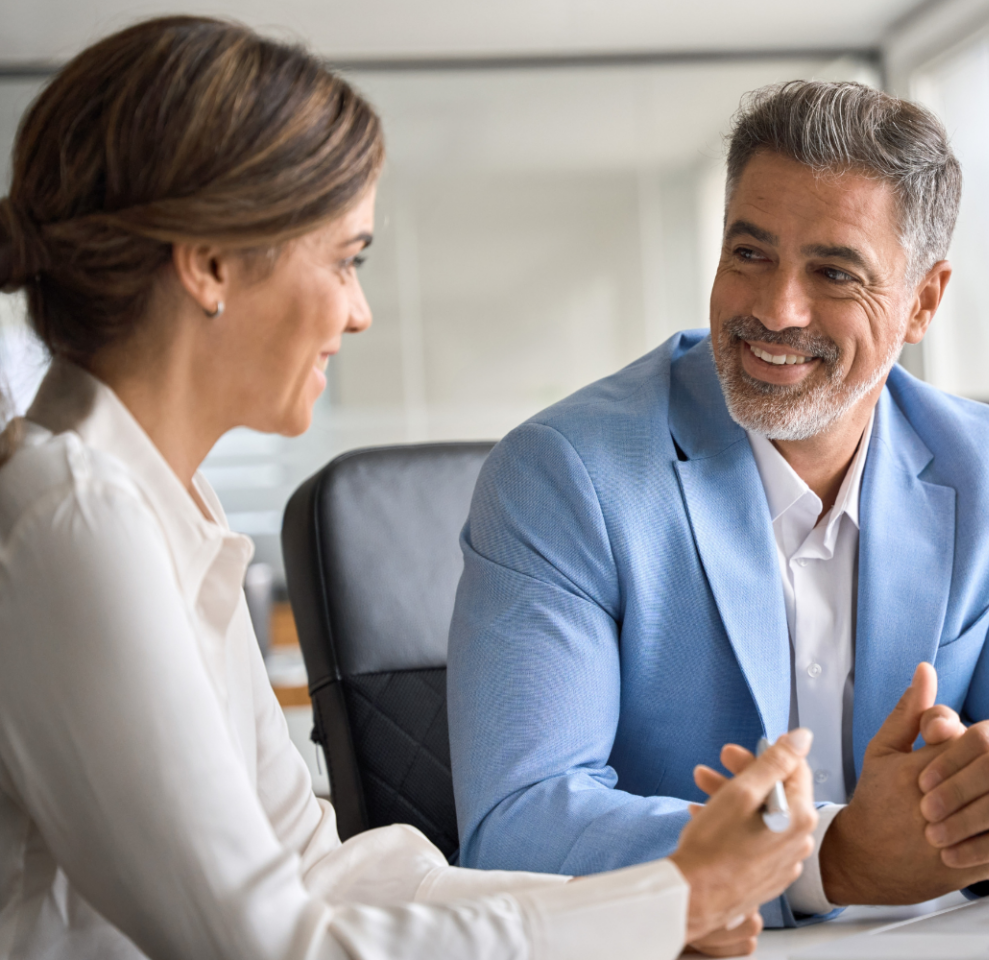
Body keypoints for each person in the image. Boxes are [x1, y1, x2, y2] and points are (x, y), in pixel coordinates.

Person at [0, 17, 816, 960]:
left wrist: (660, 901)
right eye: (345, 259)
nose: (359, 310)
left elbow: (314, 867)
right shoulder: (72, 519)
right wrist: (666, 905)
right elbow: (266, 943)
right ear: (211, 261)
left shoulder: (163, 506)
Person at [447, 80, 989, 930]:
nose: (776, 310)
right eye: (749, 255)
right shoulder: (569, 474)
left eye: (834, 271)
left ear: (922, 301)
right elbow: (518, 825)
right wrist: (830, 859)